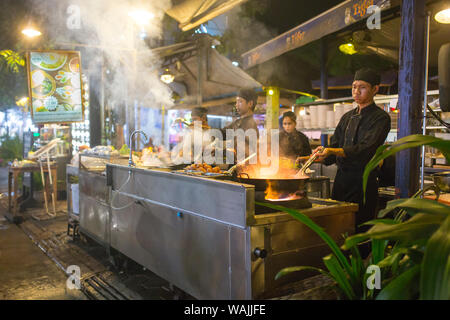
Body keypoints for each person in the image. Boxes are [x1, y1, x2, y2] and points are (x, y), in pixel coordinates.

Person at [312, 68, 391, 237]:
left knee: (360, 229)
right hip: (341, 181)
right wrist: (314, 158)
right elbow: (334, 148)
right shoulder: (347, 117)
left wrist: (332, 150)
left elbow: (365, 149)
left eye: (362, 87)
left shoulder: (381, 118)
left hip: (363, 182)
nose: (356, 91)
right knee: (338, 227)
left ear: (375, 89)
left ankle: (361, 262)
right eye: (354, 86)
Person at [221, 88, 259, 163]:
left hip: (246, 169)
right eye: (236, 102)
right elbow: (223, 133)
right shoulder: (237, 122)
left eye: (240, 101)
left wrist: (222, 150)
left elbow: (244, 149)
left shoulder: (251, 125)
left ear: (250, 104)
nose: (236, 105)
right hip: (237, 166)